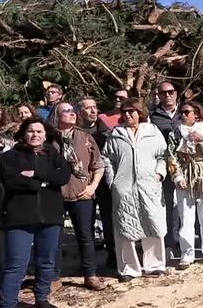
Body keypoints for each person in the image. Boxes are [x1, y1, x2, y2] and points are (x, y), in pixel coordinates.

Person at [0, 118, 71, 308]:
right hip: (19, 218)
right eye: (31, 131)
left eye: (39, 131)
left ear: (45, 134)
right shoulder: (10, 156)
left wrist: (36, 175)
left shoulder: (53, 155)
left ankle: (41, 299)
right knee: (16, 266)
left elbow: (63, 177)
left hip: (51, 217)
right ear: (23, 133)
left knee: (47, 261)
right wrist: (43, 183)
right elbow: (11, 181)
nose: (35, 135)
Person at [102, 98, 168, 282]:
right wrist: (112, 180)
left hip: (149, 186)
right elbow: (106, 158)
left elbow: (164, 155)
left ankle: (155, 265)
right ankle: (128, 269)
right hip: (124, 188)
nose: (128, 115)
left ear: (140, 113)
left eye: (132, 111)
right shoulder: (116, 134)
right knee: (125, 228)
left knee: (153, 225)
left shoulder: (153, 132)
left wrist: (159, 175)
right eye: (125, 112)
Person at [52, 102, 107, 291]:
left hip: (83, 194)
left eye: (73, 111)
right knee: (54, 237)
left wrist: (93, 186)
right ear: (57, 116)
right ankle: (54, 277)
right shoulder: (49, 139)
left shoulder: (85, 137)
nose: (72, 114)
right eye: (66, 111)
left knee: (86, 236)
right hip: (55, 195)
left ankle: (90, 275)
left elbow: (98, 165)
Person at [167, 100, 203, 270]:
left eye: (187, 112)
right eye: (181, 112)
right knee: (186, 218)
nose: (183, 115)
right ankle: (187, 253)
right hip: (184, 176)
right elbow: (170, 156)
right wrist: (177, 177)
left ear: (196, 114)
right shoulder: (175, 134)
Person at [78, 97, 115, 266]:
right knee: (85, 222)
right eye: (88, 108)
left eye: (95, 107)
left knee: (109, 218)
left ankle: (113, 253)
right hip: (82, 182)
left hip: (105, 182)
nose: (93, 111)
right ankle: (87, 260)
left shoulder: (108, 132)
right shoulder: (74, 133)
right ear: (80, 112)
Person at [149, 82, 182, 259]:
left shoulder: (186, 111)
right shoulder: (153, 116)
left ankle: (188, 242)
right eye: (163, 93)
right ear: (158, 95)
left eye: (171, 92)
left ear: (176, 93)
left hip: (186, 166)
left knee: (188, 205)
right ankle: (170, 242)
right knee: (168, 205)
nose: (167, 95)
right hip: (164, 166)